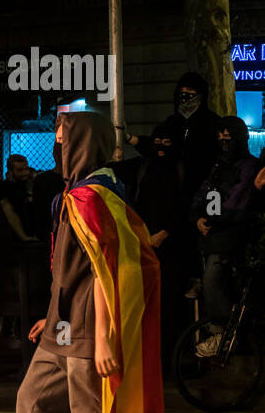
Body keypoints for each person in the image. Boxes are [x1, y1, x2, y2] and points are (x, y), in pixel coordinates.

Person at [0, 111, 182, 413]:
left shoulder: (93, 195)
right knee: (32, 402)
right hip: (65, 324)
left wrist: (104, 339)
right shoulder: (77, 193)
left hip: (87, 327)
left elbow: (108, 269)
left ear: (82, 142)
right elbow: (72, 269)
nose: (58, 145)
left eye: (63, 138)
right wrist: (52, 313)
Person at [111, 119, 192, 366]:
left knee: (170, 304)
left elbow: (184, 206)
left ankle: (170, 359)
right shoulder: (144, 166)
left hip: (172, 250)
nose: (161, 147)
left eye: (167, 143)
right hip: (144, 246)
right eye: (158, 142)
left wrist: (165, 232)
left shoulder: (181, 169)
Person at [190, 116, 259, 355]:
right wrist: (200, 217)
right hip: (212, 235)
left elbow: (237, 202)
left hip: (234, 239)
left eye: (228, 137)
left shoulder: (248, 165)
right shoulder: (219, 164)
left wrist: (211, 219)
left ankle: (223, 335)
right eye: (220, 136)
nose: (223, 141)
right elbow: (206, 194)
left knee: (213, 278)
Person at [126, 71, 221, 201]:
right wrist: (131, 139)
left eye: (190, 92)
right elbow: (154, 146)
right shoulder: (171, 123)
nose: (185, 96)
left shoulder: (212, 123)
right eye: (182, 92)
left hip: (201, 192)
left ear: (201, 95)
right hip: (170, 194)